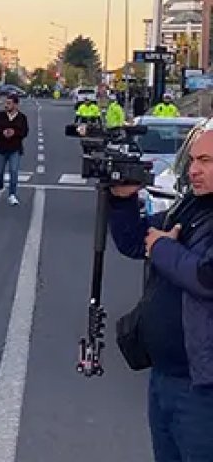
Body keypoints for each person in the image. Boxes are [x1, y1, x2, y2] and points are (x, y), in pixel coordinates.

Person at [108, 128, 213, 461]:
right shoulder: (192, 207)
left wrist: (164, 248)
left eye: (206, 161)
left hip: (202, 388)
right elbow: (135, 240)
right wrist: (122, 199)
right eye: (192, 160)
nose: (193, 169)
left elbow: (206, 277)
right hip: (164, 377)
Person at [0, 94, 29, 206]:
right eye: (6, 103)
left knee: (14, 171)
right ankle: (0, 187)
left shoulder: (22, 118)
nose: (6, 105)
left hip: (15, 149)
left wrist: (14, 133)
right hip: (1, 148)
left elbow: (25, 132)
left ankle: (12, 194)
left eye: (9, 103)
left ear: (16, 105)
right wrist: (2, 132)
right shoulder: (0, 115)